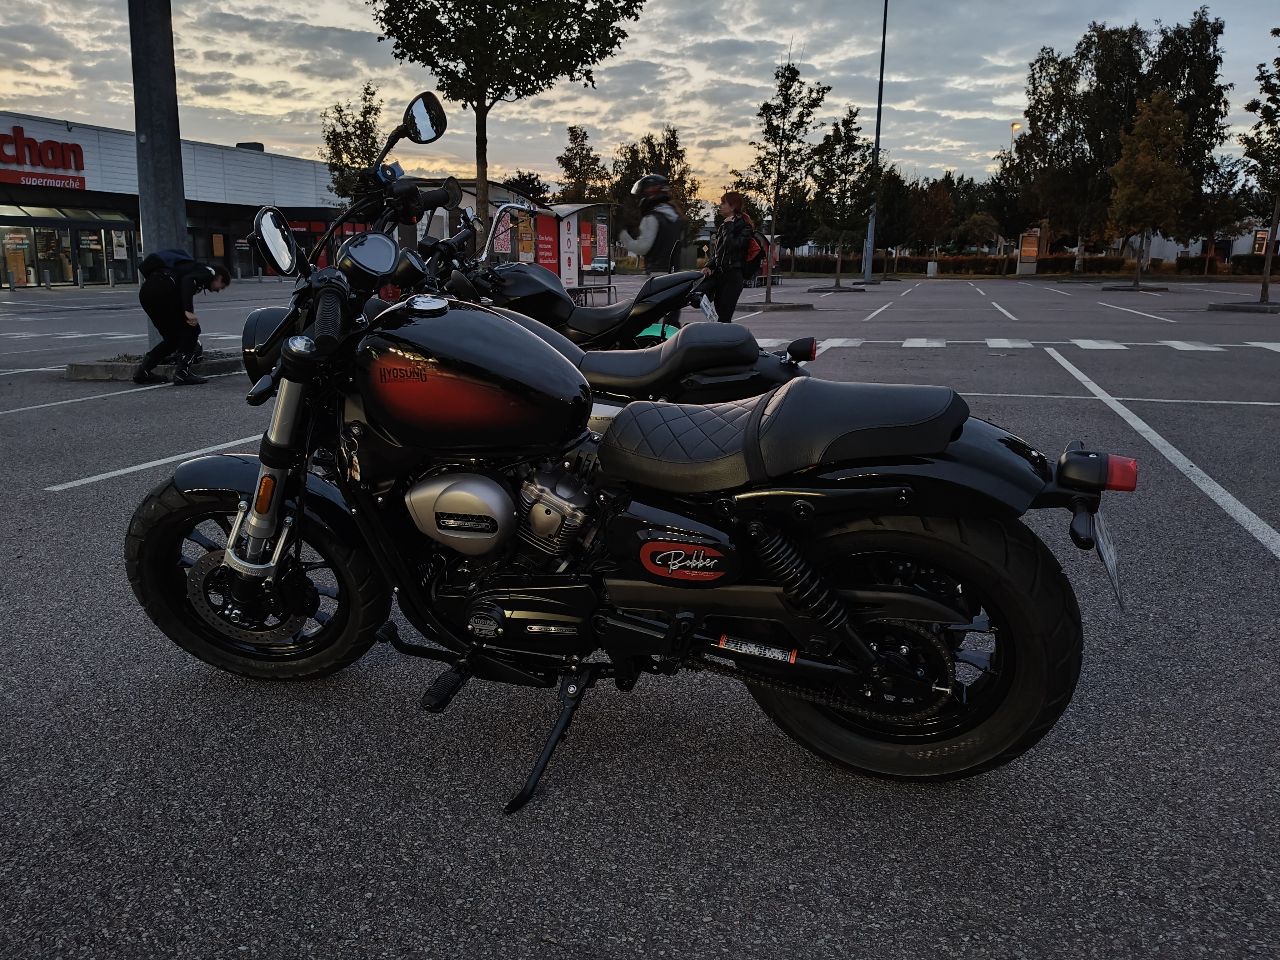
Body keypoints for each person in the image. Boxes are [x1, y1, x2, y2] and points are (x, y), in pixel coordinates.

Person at [133, 259, 231, 385]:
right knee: (192, 329)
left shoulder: (194, 269)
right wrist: (188, 311)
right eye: (221, 287)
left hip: (147, 293)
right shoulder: (208, 272)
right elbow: (188, 281)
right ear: (219, 277)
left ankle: (142, 372)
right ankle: (182, 373)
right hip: (164, 290)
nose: (218, 291)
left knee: (172, 339)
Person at [701, 191, 753, 322]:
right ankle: (721, 339)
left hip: (733, 275)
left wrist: (729, 226)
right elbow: (719, 252)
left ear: (733, 206)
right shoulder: (724, 225)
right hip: (720, 274)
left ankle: (725, 340)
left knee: (725, 315)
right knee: (718, 311)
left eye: (723, 203)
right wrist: (709, 265)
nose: (720, 206)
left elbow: (733, 246)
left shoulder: (744, 227)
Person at [619, 174, 684, 274]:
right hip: (674, 274)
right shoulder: (675, 216)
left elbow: (642, 247)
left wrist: (623, 235)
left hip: (656, 274)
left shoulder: (652, 218)